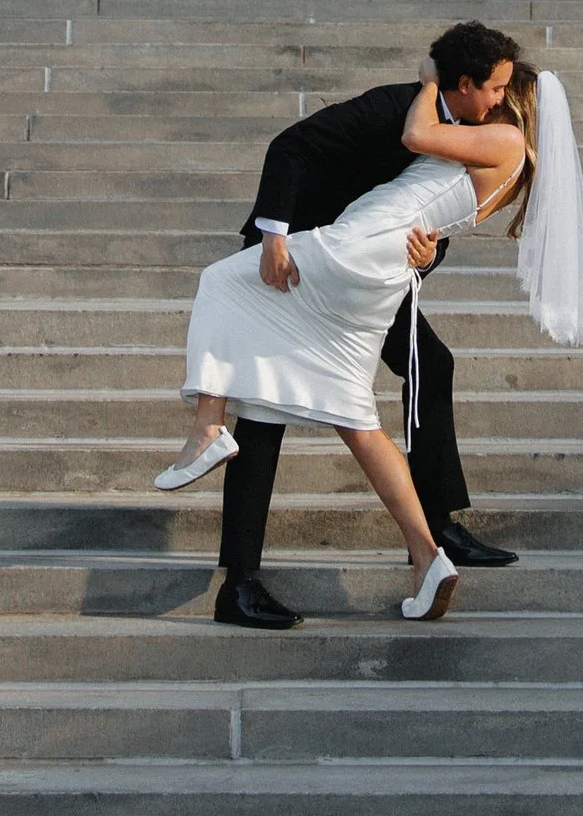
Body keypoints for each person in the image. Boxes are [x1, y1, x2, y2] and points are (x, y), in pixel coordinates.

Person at [156, 49, 536, 622]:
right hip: (293, 255)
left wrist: (427, 253)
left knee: (429, 366)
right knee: (265, 413)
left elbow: (431, 212)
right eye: (495, 92)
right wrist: (275, 238)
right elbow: (291, 147)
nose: (498, 104)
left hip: (361, 268)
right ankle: (241, 579)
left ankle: (434, 528)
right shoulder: (394, 107)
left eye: (507, 97)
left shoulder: (464, 134)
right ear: (466, 82)